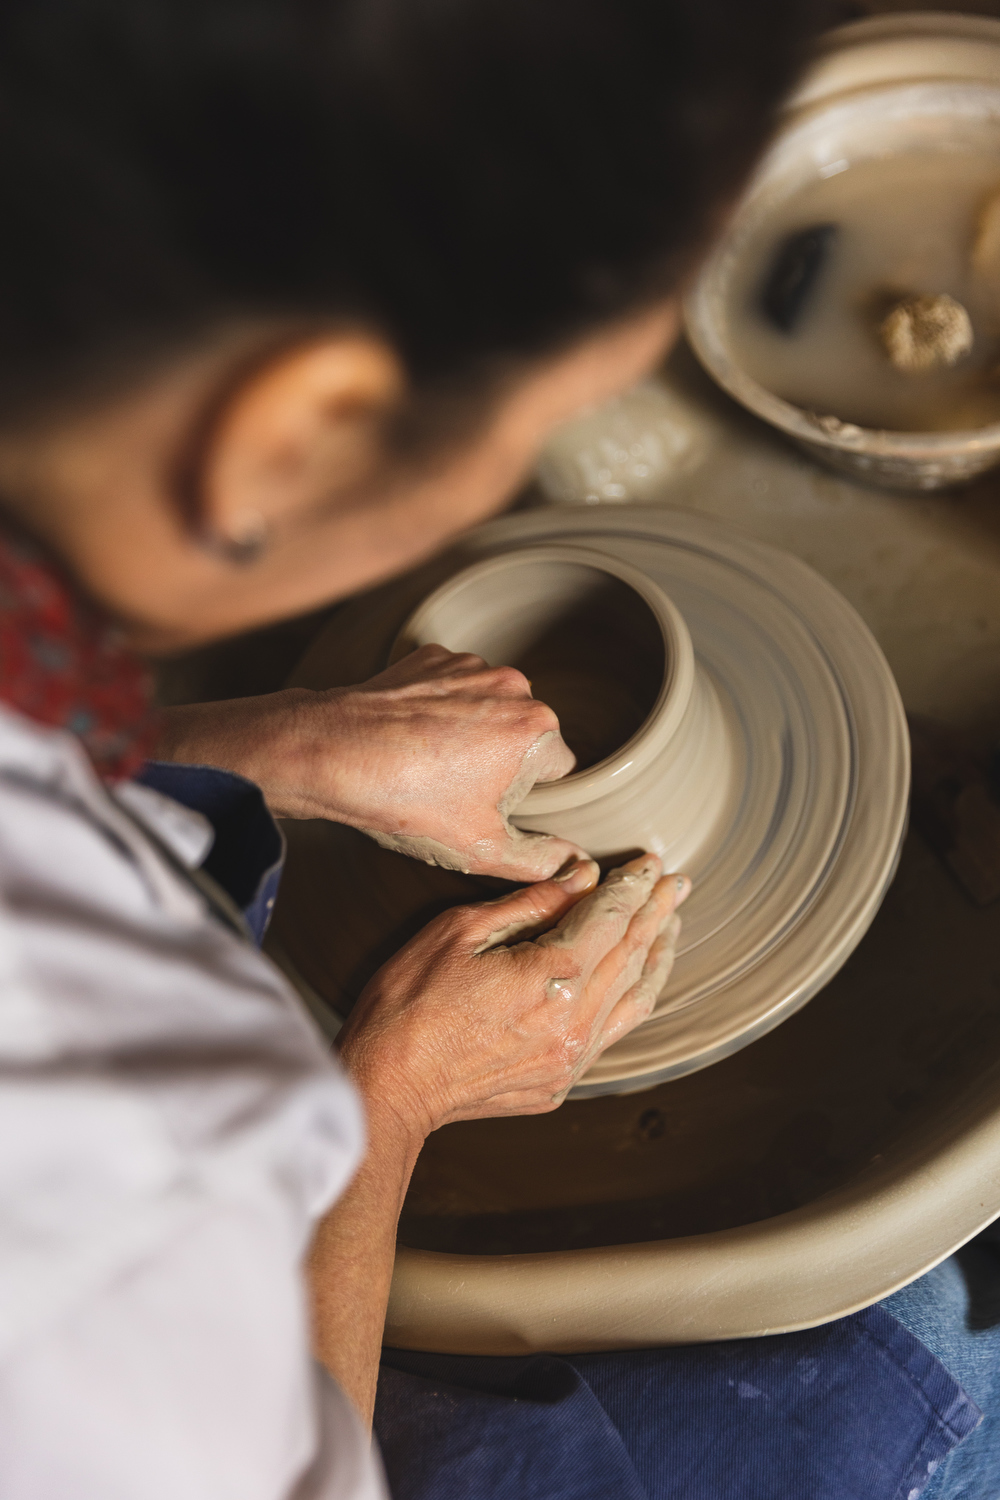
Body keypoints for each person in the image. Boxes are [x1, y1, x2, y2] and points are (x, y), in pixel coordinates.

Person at [0, 1, 996, 1496]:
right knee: (929, 1356)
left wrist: (272, 743)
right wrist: (394, 1090)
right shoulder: (118, 1134)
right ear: (287, 442)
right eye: (549, 410)